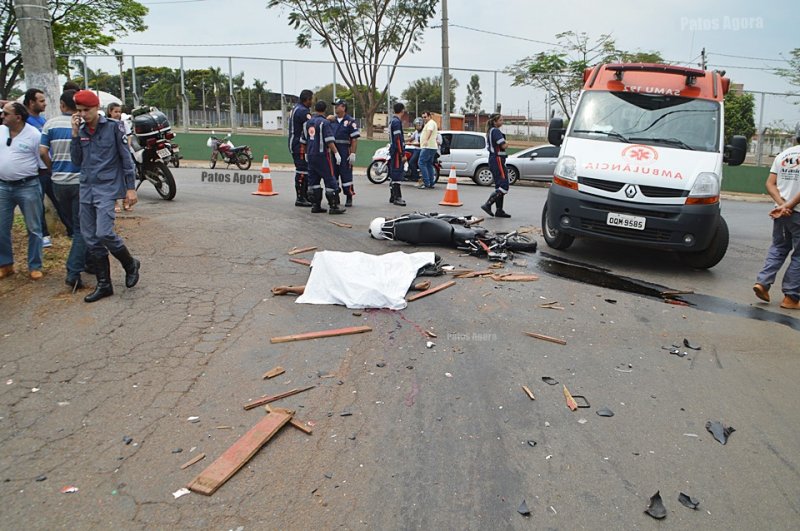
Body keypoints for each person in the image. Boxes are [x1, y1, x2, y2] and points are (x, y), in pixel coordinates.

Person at [70, 90, 141, 303]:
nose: (83, 114)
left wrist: (130, 188)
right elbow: (76, 161)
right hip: (87, 187)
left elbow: (125, 159)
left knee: (104, 232)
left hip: (107, 187)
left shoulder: (113, 127)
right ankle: (104, 284)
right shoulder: (81, 130)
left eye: (87, 110)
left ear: (96, 108)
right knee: (90, 237)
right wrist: (74, 134)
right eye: (80, 111)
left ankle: (130, 263)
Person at [40, 90, 87, 289]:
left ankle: (89, 263)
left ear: (62, 104)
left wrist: (52, 169)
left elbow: (42, 151)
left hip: (58, 183)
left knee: (75, 227)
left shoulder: (50, 124)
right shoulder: (82, 124)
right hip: (79, 181)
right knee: (81, 230)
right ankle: (73, 271)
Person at [753, 133, 800, 310]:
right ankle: (791, 297)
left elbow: (770, 184)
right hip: (796, 212)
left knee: (779, 248)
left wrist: (781, 206)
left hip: (780, 213)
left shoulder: (783, 155)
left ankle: (763, 283)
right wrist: (788, 206)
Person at [0, 102, 44, 280]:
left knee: (34, 228)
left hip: (28, 186)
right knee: (2, 227)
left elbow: (40, 160)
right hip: (3, 186)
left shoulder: (34, 134)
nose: (2, 116)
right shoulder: (1, 131)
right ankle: (6, 264)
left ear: (18, 117)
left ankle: (35, 265)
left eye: (6, 113)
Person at [25, 88, 72, 246]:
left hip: (49, 170)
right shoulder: (25, 122)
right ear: (31, 103)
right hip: (34, 170)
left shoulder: (43, 121)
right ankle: (44, 235)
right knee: (37, 204)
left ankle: (71, 230)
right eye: (41, 101)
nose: (45, 104)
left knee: (60, 202)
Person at [301, 100, 346, 215]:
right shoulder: (324, 123)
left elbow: (303, 141)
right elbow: (329, 140)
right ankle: (333, 206)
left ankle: (316, 205)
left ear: (315, 109)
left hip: (310, 156)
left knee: (314, 180)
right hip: (322, 156)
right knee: (330, 179)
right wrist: (336, 153)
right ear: (325, 109)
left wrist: (306, 153)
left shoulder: (307, 123)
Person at [480, 113, 511, 218]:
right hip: (497, 159)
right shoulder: (496, 131)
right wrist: (507, 143)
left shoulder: (490, 131)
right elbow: (503, 145)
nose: (502, 122)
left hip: (494, 159)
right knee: (504, 185)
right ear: (495, 121)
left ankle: (499, 210)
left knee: (499, 185)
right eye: (501, 120)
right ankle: (488, 204)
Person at [331, 99, 360, 207]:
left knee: (346, 175)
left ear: (343, 107)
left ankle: (349, 196)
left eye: (337, 106)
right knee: (333, 174)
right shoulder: (332, 120)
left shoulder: (350, 121)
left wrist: (353, 153)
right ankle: (335, 196)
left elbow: (354, 139)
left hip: (345, 151)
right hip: (333, 151)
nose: (335, 108)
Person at [107, 102, 133, 213]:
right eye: (115, 111)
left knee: (127, 176)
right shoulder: (107, 125)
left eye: (119, 111)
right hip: (112, 156)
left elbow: (128, 137)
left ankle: (126, 201)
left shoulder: (123, 124)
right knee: (113, 179)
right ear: (110, 112)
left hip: (124, 154)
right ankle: (115, 202)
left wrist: (126, 149)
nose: (118, 114)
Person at [289, 89, 314, 207]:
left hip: (296, 143)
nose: (312, 102)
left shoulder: (296, 108)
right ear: (307, 100)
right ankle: (300, 197)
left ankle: (304, 196)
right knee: (302, 170)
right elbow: (313, 124)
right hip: (299, 144)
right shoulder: (303, 111)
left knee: (305, 170)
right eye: (311, 99)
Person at [388, 102, 407, 206]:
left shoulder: (392, 121)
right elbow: (398, 139)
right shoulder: (396, 122)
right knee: (397, 173)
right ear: (402, 110)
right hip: (396, 151)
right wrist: (402, 154)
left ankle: (392, 196)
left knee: (393, 172)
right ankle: (397, 197)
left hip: (394, 149)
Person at [418, 111, 439, 189]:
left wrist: (426, 140)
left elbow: (429, 131)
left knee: (421, 163)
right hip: (431, 147)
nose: (424, 119)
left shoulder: (430, 123)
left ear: (429, 116)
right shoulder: (430, 123)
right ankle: (431, 182)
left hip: (428, 147)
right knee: (428, 164)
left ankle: (426, 182)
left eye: (425, 117)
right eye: (423, 117)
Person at [407, 117, 424, 186]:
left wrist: (410, 143)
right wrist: (402, 140)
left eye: (419, 125)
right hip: (415, 148)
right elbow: (411, 138)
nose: (418, 127)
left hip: (420, 149)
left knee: (411, 162)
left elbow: (420, 144)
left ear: (422, 125)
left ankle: (416, 177)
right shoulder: (416, 132)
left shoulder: (423, 133)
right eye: (416, 125)